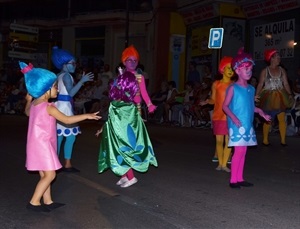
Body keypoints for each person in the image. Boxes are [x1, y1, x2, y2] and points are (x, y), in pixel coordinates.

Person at [20, 62, 100, 212]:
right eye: (55, 86)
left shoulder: (36, 103)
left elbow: (27, 113)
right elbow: (67, 120)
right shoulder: (49, 107)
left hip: (35, 144)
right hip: (43, 145)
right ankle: (34, 202)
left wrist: (28, 100)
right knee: (50, 175)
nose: (57, 88)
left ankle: (48, 200)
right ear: (46, 90)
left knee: (45, 174)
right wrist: (87, 115)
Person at [96, 71, 158, 188]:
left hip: (122, 136)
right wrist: (102, 128)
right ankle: (124, 176)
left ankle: (131, 177)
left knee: (123, 153)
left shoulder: (118, 105)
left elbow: (117, 119)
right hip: (122, 134)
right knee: (121, 153)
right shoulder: (128, 104)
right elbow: (112, 120)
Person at [222, 48, 271, 189]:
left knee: (243, 151)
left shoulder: (251, 89)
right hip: (237, 124)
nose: (249, 71)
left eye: (250, 69)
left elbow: (251, 107)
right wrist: (234, 118)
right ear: (237, 71)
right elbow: (225, 106)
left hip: (247, 124)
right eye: (246, 69)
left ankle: (240, 178)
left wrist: (261, 112)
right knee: (238, 151)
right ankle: (233, 180)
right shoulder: (233, 88)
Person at [51, 46, 94, 172]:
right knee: (70, 137)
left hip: (58, 106)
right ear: (64, 64)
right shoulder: (67, 76)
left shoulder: (57, 75)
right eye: (73, 63)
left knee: (58, 137)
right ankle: (66, 163)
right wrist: (82, 81)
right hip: (64, 108)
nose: (75, 65)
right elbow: (70, 94)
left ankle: (55, 163)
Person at [200, 56, 234, 171]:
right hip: (218, 115)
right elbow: (214, 99)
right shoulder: (216, 84)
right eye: (228, 68)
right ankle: (220, 164)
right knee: (219, 141)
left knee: (228, 141)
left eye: (232, 69)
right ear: (223, 69)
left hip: (230, 116)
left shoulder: (234, 85)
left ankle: (224, 164)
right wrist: (207, 101)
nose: (230, 71)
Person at [255, 49, 293, 146]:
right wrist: (256, 95)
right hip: (269, 97)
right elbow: (260, 84)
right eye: (277, 57)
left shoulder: (282, 70)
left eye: (279, 57)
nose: (279, 59)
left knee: (281, 118)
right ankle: (265, 140)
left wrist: (289, 94)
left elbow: (285, 83)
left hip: (280, 96)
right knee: (268, 118)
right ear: (271, 58)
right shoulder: (265, 71)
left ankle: (283, 140)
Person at [120, 45, 156, 116]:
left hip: (136, 107)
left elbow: (144, 92)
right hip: (123, 107)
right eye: (130, 60)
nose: (133, 63)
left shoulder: (140, 77)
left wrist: (149, 104)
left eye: (135, 60)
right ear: (124, 62)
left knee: (135, 126)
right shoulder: (121, 77)